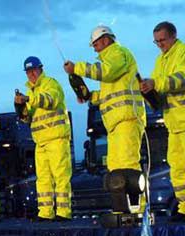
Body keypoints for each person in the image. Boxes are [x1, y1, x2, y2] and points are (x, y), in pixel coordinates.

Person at [64, 26, 146, 214]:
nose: (94, 48)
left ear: (106, 39)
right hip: (116, 123)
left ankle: (136, 211)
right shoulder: (112, 58)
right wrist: (90, 96)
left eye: (96, 43)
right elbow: (110, 92)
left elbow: (107, 72)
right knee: (116, 170)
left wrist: (77, 68)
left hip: (127, 119)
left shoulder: (117, 53)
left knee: (128, 166)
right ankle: (123, 210)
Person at [15, 57, 72, 222]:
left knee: (61, 177)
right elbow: (29, 118)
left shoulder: (50, 83)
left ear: (41, 69)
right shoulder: (31, 91)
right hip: (40, 141)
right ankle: (46, 213)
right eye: (28, 72)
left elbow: (50, 101)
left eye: (33, 70)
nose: (31, 74)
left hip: (56, 138)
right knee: (43, 179)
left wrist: (27, 99)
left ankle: (63, 212)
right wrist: (22, 110)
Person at [140, 21, 185, 222]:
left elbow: (181, 78)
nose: (160, 44)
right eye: (156, 41)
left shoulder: (182, 52)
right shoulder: (161, 60)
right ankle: (184, 207)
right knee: (178, 168)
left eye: (163, 40)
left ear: (173, 36)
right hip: (174, 125)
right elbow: (158, 87)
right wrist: (148, 91)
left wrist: (155, 83)